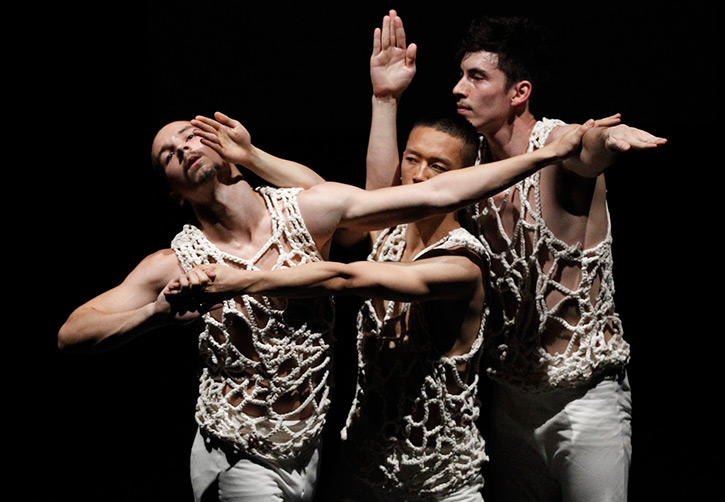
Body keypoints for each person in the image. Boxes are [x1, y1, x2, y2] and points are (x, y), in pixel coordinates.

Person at [58, 101, 597, 499]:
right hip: (239, 453)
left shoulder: (305, 214)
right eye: (167, 156)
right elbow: (73, 333)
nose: (181, 149)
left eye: (188, 136)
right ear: (174, 190)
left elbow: (436, 194)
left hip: (312, 455)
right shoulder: (177, 261)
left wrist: (547, 155)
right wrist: (157, 314)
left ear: (224, 149)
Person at [364, 11, 667, 502]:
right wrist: (385, 99)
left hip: (584, 400)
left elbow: (584, 149)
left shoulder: (553, 144)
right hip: (507, 399)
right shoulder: (474, 167)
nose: (458, 89)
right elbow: (379, 211)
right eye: (461, 75)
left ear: (518, 92)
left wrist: (607, 140)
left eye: (476, 77)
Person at [171, 110, 490, 501]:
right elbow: (327, 192)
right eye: (411, 159)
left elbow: (345, 278)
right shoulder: (385, 237)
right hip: (363, 468)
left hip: (441, 482)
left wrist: (245, 280)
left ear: (464, 176)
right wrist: (251, 155)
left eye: (438, 166)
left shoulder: (463, 263)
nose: (419, 176)